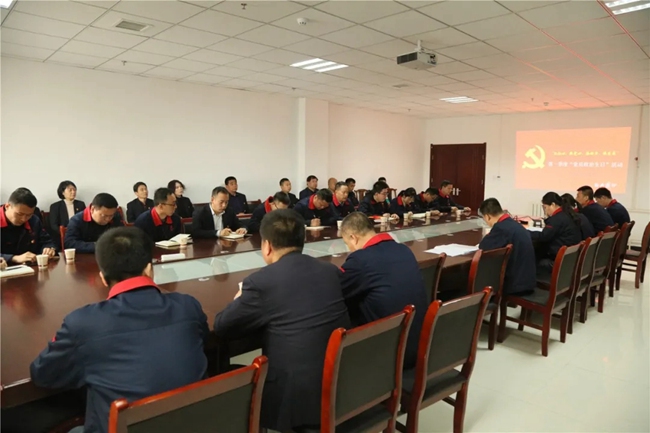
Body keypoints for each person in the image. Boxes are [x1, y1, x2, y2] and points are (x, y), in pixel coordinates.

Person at [30, 227, 209, 433]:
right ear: (149, 269)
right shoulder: (188, 306)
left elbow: (42, 373)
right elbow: (202, 341)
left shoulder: (83, 324)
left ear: (103, 278)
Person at [213, 210, 350, 432]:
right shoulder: (330, 271)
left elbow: (222, 326)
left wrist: (239, 298)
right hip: (343, 387)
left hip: (294, 403)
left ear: (267, 246)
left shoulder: (261, 283)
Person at [338, 212, 426, 369]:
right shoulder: (404, 250)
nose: (350, 249)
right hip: (420, 345)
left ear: (353, 238)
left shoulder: (360, 260)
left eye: (347, 244)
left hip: (389, 356)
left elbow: (337, 293)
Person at [478, 198, 536, 296]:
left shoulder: (501, 228)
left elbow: (483, 246)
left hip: (515, 285)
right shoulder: (513, 224)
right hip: (528, 280)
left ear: (488, 216)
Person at [530, 192, 582, 274]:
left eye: (545, 207)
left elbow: (544, 236)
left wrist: (526, 232)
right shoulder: (566, 214)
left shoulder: (557, 219)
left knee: (530, 258)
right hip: (569, 257)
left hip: (559, 260)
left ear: (553, 204)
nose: (545, 210)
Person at [1, 188, 56, 264]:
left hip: (31, 267)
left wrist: (48, 248)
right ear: (7, 206)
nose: (24, 219)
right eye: (19, 214)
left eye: (29, 215)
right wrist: (13, 258)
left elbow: (46, 241)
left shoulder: (34, 220)